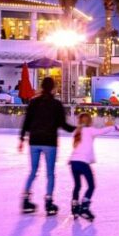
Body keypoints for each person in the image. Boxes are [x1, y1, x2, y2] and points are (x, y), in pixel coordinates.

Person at [17, 77, 74, 216]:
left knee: (33, 171)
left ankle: (25, 199)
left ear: (41, 87)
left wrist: (21, 137)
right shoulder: (56, 104)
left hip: (34, 140)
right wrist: (78, 129)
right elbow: (62, 124)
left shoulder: (34, 102)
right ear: (53, 87)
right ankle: (49, 201)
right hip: (49, 142)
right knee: (50, 173)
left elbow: (27, 121)